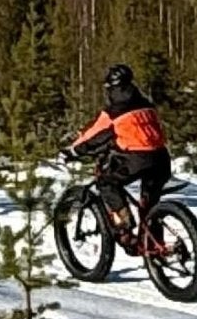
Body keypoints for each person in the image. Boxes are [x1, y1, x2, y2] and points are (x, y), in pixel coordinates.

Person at [64, 64, 171, 211]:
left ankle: (123, 225)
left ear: (110, 88)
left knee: (106, 183)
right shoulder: (147, 105)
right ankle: (153, 228)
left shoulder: (114, 112)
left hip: (136, 159)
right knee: (149, 207)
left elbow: (93, 135)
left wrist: (74, 150)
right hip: (161, 158)